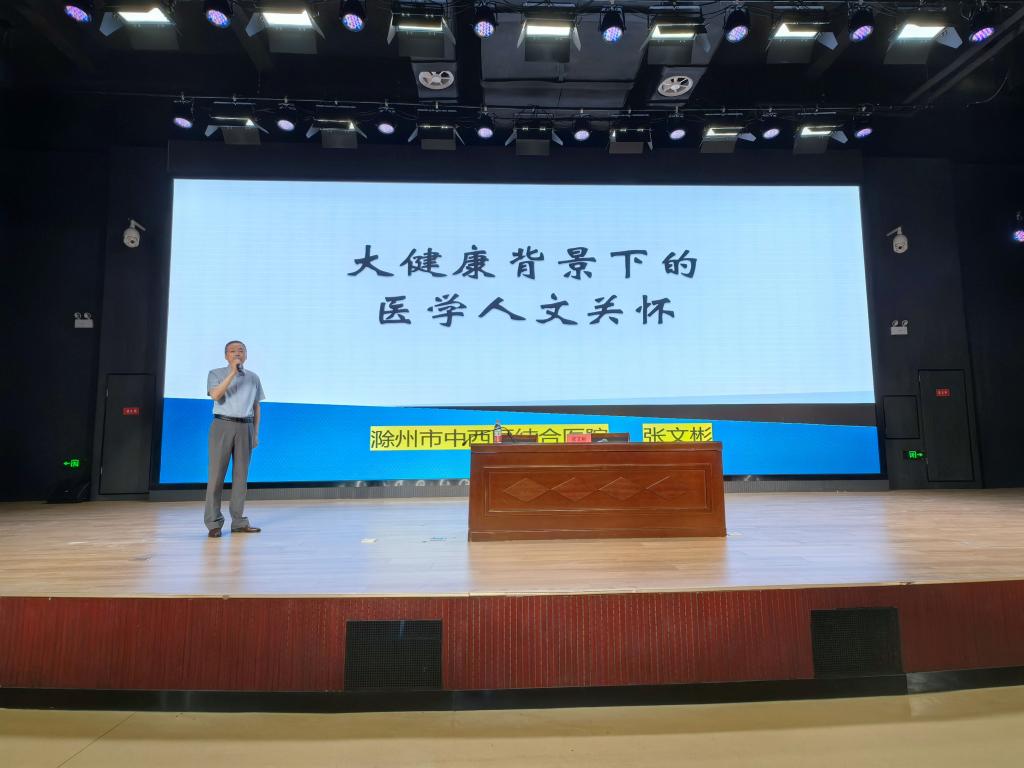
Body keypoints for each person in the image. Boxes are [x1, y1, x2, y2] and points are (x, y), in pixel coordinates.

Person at [204, 340, 265, 538]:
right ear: (226, 356)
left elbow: (256, 406)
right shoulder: (215, 373)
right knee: (216, 476)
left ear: (246, 355)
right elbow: (216, 395)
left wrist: (255, 433)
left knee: (241, 477)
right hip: (222, 424)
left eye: (241, 350)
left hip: (245, 427)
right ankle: (214, 523)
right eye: (232, 351)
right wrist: (232, 372)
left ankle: (238, 522)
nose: (237, 353)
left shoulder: (253, 377)